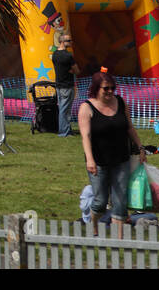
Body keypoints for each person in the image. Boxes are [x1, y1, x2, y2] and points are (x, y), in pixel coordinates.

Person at [78, 70, 144, 237]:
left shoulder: (120, 103)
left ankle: (119, 237)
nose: (110, 92)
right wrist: (90, 160)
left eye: (112, 88)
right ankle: (93, 224)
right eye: (105, 89)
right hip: (99, 161)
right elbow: (85, 136)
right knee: (100, 201)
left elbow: (129, 127)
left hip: (121, 158)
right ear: (96, 89)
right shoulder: (87, 107)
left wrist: (140, 147)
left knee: (120, 198)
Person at [51, 30, 78, 136]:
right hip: (67, 85)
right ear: (62, 42)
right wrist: (71, 70)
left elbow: (60, 68)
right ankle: (64, 132)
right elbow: (77, 70)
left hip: (59, 84)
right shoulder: (68, 56)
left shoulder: (55, 54)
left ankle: (66, 129)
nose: (70, 42)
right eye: (69, 41)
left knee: (63, 108)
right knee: (65, 109)